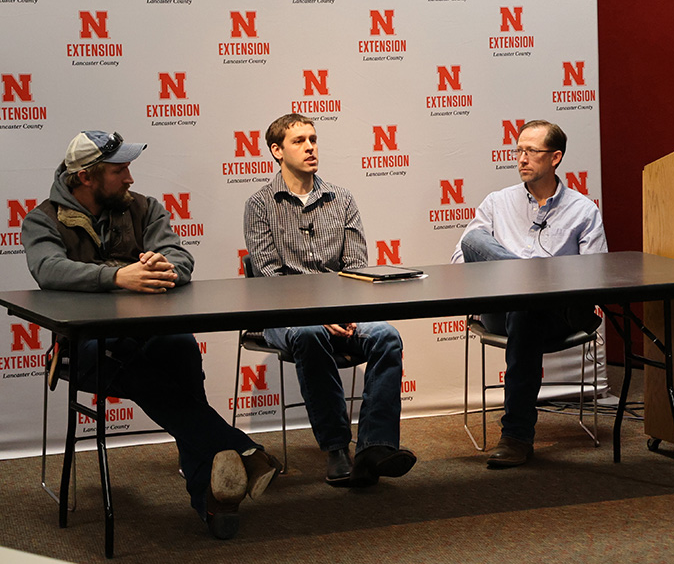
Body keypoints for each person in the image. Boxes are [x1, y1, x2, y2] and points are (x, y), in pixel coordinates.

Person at [21, 130, 280, 540]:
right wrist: (118, 276)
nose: (130, 179)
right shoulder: (42, 220)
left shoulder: (145, 208)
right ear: (86, 177)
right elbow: (49, 269)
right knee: (145, 374)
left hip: (151, 334)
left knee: (179, 346)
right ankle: (232, 460)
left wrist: (164, 265)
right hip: (85, 348)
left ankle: (215, 490)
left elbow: (181, 258)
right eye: (119, 170)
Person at [243, 113, 415, 488]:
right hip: (284, 314)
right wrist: (320, 316)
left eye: (313, 139)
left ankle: (375, 446)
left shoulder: (343, 199)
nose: (310, 147)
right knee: (308, 334)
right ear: (276, 150)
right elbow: (269, 279)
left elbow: (356, 268)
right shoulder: (259, 204)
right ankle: (337, 447)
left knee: (386, 335)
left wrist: (342, 311)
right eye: (299, 141)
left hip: (341, 311)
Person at [451, 119, 607, 468]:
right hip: (499, 308)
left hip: (557, 317)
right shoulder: (497, 202)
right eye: (518, 150)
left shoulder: (583, 211)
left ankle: (517, 436)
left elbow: (596, 277)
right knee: (474, 240)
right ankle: (532, 288)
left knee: (527, 311)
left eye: (531, 151)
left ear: (555, 158)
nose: (521, 158)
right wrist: (524, 278)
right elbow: (462, 259)